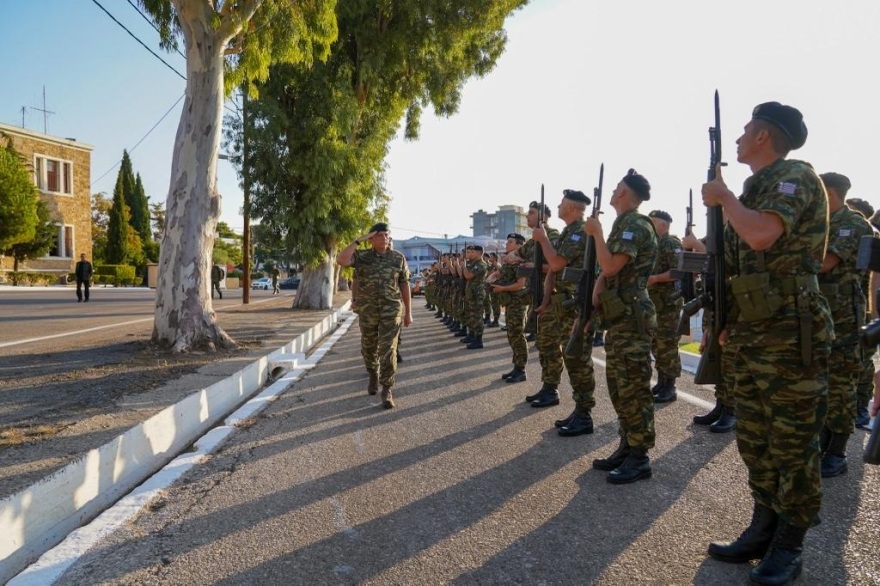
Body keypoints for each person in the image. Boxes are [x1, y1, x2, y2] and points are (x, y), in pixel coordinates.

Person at [701, 102, 831, 585]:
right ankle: (763, 527)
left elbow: (761, 236)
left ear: (762, 137)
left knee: (792, 445)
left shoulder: (793, 177)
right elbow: (737, 266)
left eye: (744, 132)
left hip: (790, 331)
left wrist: (725, 199)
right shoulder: (757, 186)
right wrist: (728, 320)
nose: (736, 139)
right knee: (755, 440)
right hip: (753, 330)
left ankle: (790, 546)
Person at [584, 169, 658, 483]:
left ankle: (639, 456)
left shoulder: (635, 224)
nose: (613, 192)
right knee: (619, 385)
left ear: (625, 193)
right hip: (620, 312)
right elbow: (609, 270)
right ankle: (628, 445)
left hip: (632, 313)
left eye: (617, 188)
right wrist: (597, 290)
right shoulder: (623, 223)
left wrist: (597, 233)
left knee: (634, 387)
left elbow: (612, 264)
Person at [816, 172, 873, 477]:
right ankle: (824, 443)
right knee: (823, 383)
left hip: (845, 320)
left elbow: (825, 262)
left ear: (830, 192)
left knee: (840, 386)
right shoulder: (824, 223)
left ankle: (836, 453)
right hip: (823, 316)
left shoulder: (853, 223)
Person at [530, 189, 597, 439]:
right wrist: (546, 299)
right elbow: (554, 272)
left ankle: (585, 413)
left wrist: (543, 238)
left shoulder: (580, 231)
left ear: (571, 207)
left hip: (577, 305)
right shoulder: (570, 231)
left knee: (578, 359)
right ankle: (579, 410)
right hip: (563, 303)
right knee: (570, 357)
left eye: (561, 204)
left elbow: (556, 263)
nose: (558, 206)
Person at [337, 222, 412, 409]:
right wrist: (357, 241)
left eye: (387, 235)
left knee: (389, 349)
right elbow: (341, 260)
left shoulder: (398, 258)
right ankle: (373, 374)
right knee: (368, 347)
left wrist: (408, 312)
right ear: (371, 239)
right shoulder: (362, 257)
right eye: (380, 235)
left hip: (391, 310)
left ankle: (387, 388)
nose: (385, 239)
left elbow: (404, 285)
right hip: (368, 310)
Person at [646, 209, 684, 403]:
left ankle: (670, 386)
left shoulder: (671, 243)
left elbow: (679, 271)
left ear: (663, 225)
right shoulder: (654, 244)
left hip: (669, 305)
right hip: (655, 305)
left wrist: (655, 279)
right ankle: (661, 381)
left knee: (667, 344)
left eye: (652, 222)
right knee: (657, 344)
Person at [491, 233, 529, 382]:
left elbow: (521, 284)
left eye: (510, 242)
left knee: (518, 335)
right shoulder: (508, 263)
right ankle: (516, 367)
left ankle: (521, 370)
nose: (507, 244)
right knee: (512, 335)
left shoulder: (522, 263)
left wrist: (502, 289)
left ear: (519, 246)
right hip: (509, 303)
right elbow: (499, 275)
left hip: (518, 303)